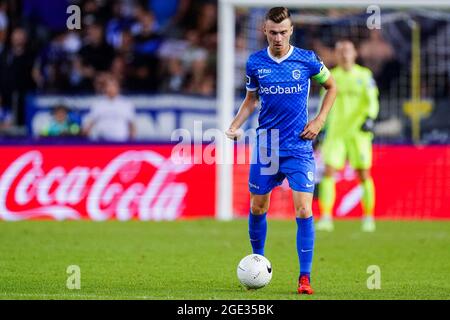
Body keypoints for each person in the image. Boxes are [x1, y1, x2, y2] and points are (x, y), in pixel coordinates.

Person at [225, 7, 337, 295]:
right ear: (264, 31)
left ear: (291, 30)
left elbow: (331, 87)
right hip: (266, 147)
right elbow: (251, 100)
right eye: (273, 32)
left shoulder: (307, 59)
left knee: (303, 209)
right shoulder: (255, 63)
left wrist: (319, 120)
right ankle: (257, 261)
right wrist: (235, 125)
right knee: (257, 206)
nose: (278, 37)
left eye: (283, 32)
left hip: (299, 147)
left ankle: (305, 278)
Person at [316, 40, 379, 232]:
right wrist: (320, 127)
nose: (344, 54)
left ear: (355, 54)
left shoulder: (364, 75)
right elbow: (323, 105)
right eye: (340, 51)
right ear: (336, 55)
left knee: (363, 174)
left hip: (358, 134)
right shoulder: (330, 77)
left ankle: (368, 217)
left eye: (347, 51)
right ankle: (326, 217)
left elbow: (372, 100)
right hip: (336, 133)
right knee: (328, 172)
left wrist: (370, 117)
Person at [83, 75, 136, 142]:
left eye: (114, 86)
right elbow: (90, 122)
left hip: (120, 141)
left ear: (118, 88)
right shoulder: (98, 103)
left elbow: (132, 124)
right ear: (105, 88)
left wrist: (132, 141)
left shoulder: (126, 103)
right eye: (109, 86)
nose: (111, 88)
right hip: (102, 142)